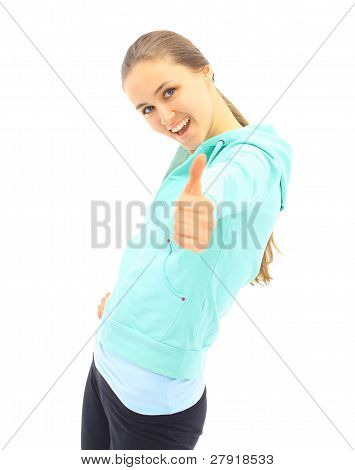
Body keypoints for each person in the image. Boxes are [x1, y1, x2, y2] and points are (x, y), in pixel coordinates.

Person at [81, 30, 293, 450]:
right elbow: (164, 257)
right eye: (146, 108)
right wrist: (126, 298)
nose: (163, 116)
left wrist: (205, 208)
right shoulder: (192, 154)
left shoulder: (257, 155)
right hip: (104, 363)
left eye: (169, 91)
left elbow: (230, 183)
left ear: (205, 72)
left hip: (152, 405)